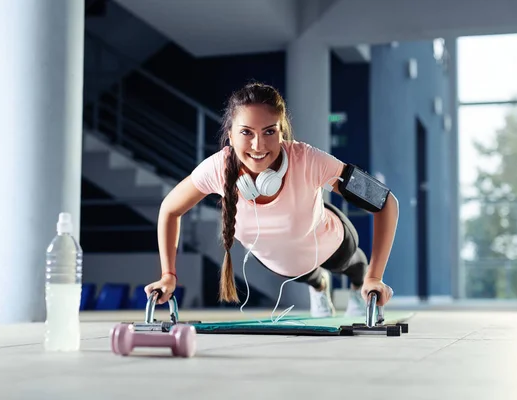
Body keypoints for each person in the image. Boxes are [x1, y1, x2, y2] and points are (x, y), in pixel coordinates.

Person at [144, 82, 398, 318]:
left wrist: (374, 277)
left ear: (281, 132)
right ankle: (320, 287)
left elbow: (386, 203)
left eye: (269, 131)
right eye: (246, 132)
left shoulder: (308, 160)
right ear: (230, 136)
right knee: (307, 275)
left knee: (351, 265)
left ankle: (357, 285)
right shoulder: (216, 169)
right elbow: (170, 209)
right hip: (283, 264)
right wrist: (168, 275)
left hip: (329, 240)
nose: (258, 145)